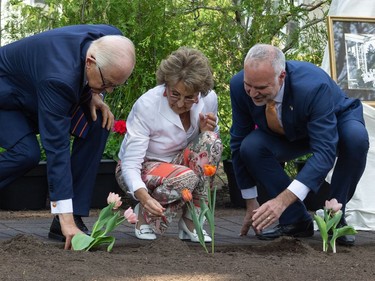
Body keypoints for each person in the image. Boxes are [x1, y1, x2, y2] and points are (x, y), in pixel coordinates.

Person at [0, 24, 136, 250]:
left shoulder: (111, 39)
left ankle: (70, 218)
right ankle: (65, 220)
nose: (109, 91)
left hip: (37, 91)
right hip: (7, 100)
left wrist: (95, 92)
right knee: (27, 154)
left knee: (98, 122)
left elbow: (98, 78)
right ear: (90, 62)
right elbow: (57, 149)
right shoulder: (58, 78)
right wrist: (65, 216)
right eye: (107, 83)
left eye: (115, 85)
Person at [229, 44, 369, 246]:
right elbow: (238, 140)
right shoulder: (238, 86)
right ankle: (295, 220)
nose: (252, 94)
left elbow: (325, 152)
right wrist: (250, 200)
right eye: (248, 85)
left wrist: (282, 200)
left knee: (356, 138)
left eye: (261, 88)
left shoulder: (313, 86)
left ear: (281, 76)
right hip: (289, 131)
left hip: (335, 122)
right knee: (250, 146)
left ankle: (334, 216)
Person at [116, 47, 222, 241]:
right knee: (186, 177)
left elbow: (209, 150)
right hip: (142, 167)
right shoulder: (147, 105)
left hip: (179, 165)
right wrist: (143, 197)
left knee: (211, 141)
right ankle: (144, 215)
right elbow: (130, 163)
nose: (181, 103)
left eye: (189, 97)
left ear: (199, 92)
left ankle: (192, 221)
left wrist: (204, 131)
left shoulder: (209, 99)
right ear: (166, 84)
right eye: (175, 94)